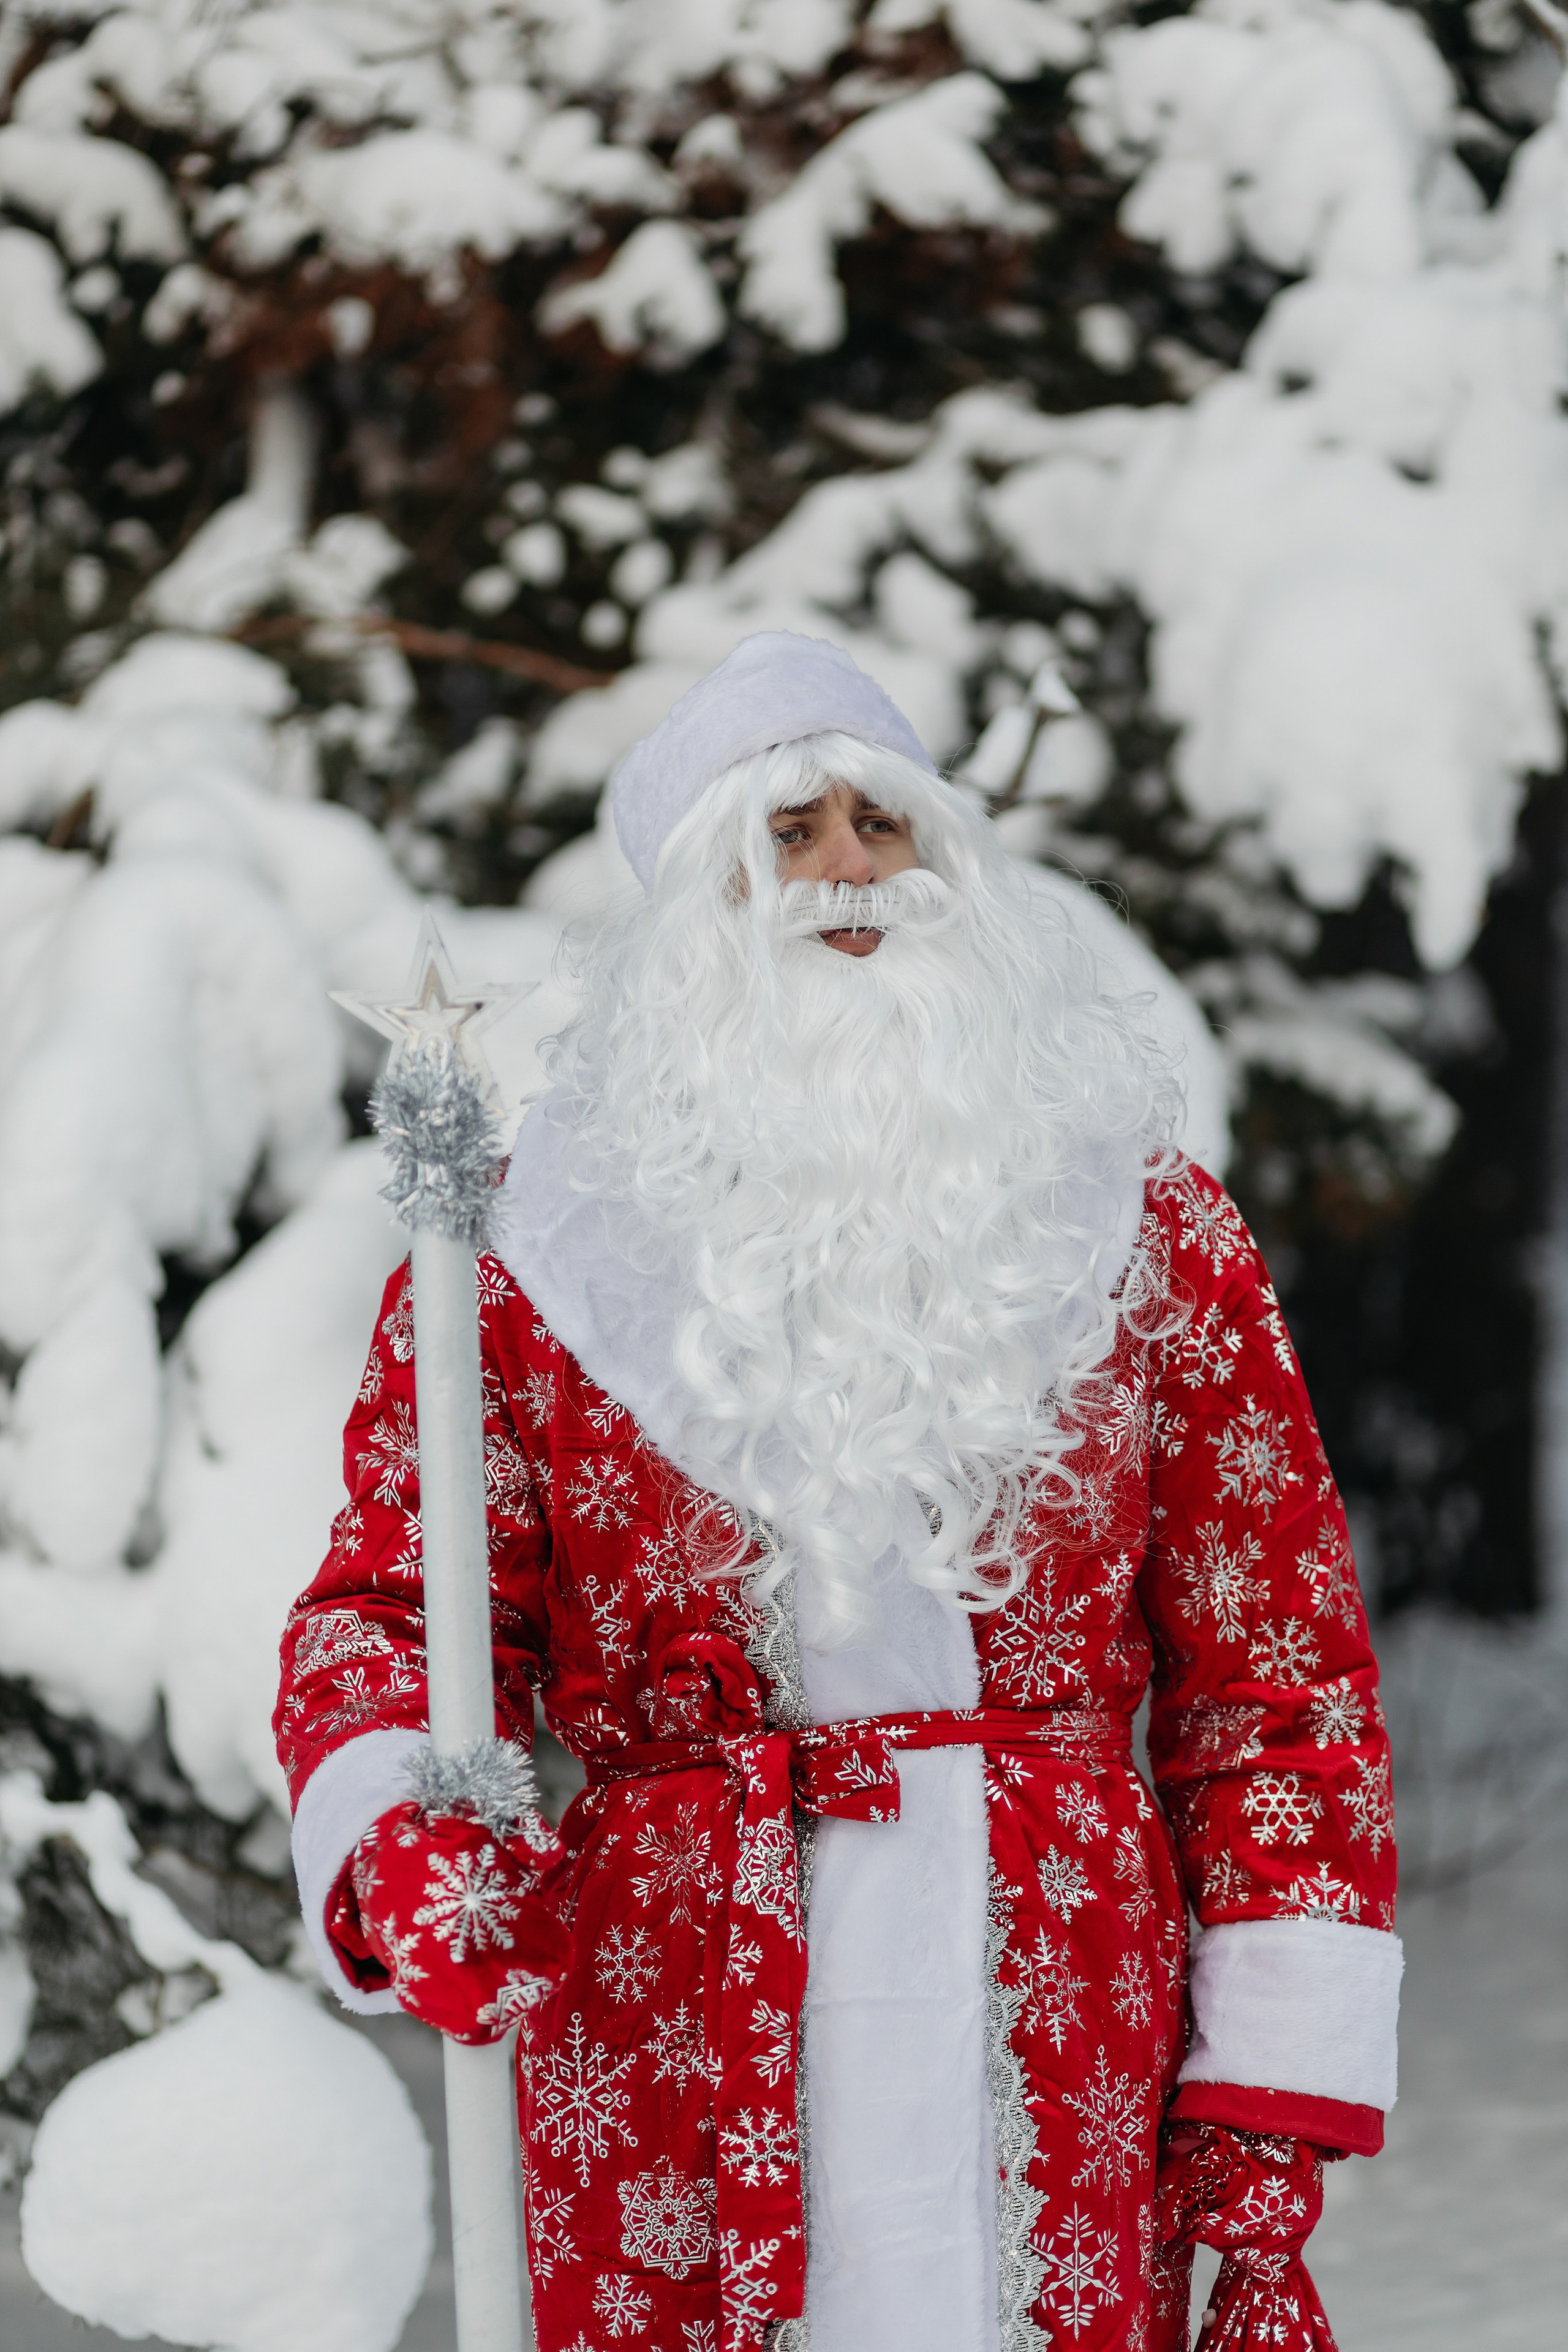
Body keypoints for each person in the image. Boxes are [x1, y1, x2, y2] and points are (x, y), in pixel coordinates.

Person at [276, 633, 1400, 2352]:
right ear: (695, 910)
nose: (849, 871)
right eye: (788, 832)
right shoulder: (524, 1259)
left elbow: (1280, 1684)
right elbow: (392, 1609)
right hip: (665, 2029)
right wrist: (403, 1832)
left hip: (1059, 2025)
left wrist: (1265, 2119)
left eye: (885, 825)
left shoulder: (1142, 1233)